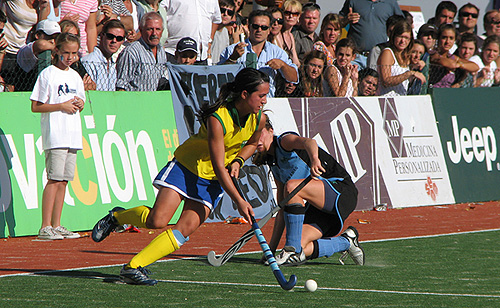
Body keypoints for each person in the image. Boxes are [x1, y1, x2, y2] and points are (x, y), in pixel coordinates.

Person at [91, 68, 269, 285]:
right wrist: (239, 201)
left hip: (212, 181)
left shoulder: (259, 119)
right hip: (187, 167)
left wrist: (239, 160)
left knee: (183, 231)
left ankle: (132, 268)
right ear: (244, 94)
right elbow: (218, 166)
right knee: (157, 220)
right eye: (261, 96)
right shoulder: (217, 119)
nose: (264, 101)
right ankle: (117, 218)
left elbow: (251, 144)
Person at [253, 116, 363, 267]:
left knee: (291, 187)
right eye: (253, 137)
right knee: (302, 246)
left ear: (270, 131)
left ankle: (291, 250)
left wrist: (315, 159)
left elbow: (309, 142)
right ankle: (346, 241)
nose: (257, 140)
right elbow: (282, 209)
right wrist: (269, 251)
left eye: (260, 134)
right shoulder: (274, 165)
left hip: (342, 191)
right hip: (318, 207)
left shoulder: (284, 141)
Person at [30, 32, 85, 240]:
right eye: (66, 53)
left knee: (63, 181)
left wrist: (79, 103)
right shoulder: (48, 74)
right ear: (57, 52)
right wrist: (61, 106)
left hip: (72, 134)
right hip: (56, 134)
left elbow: (80, 100)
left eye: (74, 53)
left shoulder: (75, 76)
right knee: (53, 179)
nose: (70, 57)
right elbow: (36, 106)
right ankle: (45, 225)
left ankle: (57, 223)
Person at [219, 10, 298, 97]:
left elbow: (293, 78)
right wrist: (232, 58)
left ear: (269, 30)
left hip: (266, 102)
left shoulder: (277, 52)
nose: (259, 30)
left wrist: (283, 65)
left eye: (264, 27)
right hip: (239, 102)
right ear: (249, 27)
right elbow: (218, 77)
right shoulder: (232, 50)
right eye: (255, 26)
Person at [115, 12, 167, 91]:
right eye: (150, 29)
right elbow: (121, 86)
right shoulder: (131, 52)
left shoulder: (161, 52)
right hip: (135, 101)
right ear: (141, 30)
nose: (154, 33)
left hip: (155, 101)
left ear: (162, 31)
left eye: (158, 29)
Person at [377, 21, 425, 96]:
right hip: (386, 100)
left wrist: (418, 64)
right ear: (394, 37)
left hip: (401, 101)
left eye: (406, 38)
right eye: (400, 36)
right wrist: (409, 74)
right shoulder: (387, 52)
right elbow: (386, 81)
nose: (403, 41)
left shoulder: (406, 56)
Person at [15, 19, 61, 92]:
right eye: (49, 36)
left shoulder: (56, 51)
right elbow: (41, 45)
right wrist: (59, 50)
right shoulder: (26, 49)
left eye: (56, 37)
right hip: (25, 92)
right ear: (37, 35)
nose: (53, 41)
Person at [81, 19, 126, 91]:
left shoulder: (114, 64)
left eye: (119, 38)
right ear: (102, 36)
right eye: (110, 36)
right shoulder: (89, 62)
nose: (114, 41)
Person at [429, 24, 478, 88]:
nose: (447, 41)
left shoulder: (452, 57)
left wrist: (460, 64)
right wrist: (457, 64)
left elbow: (475, 67)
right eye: (444, 37)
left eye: (451, 38)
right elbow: (451, 64)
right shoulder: (432, 54)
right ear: (438, 38)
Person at [212, 0, 244, 64]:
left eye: (230, 12)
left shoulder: (225, 32)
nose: (225, 14)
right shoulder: (210, 30)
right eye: (222, 10)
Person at [280, 0, 301, 67]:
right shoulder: (278, 34)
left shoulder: (291, 36)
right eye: (287, 13)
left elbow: (296, 63)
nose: (291, 16)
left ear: (298, 16)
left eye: (295, 14)